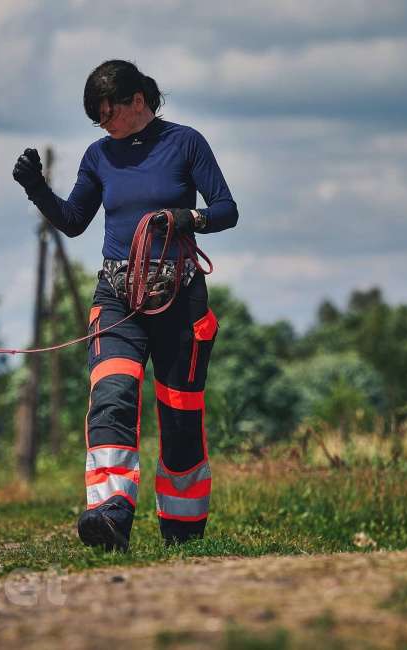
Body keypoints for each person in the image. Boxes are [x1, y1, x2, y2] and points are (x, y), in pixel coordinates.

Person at [12, 60, 238, 550]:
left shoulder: (186, 143)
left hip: (181, 302)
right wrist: (36, 189)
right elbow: (73, 221)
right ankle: (110, 515)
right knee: (112, 397)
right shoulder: (98, 156)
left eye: (108, 113)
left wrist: (188, 217)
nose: (103, 124)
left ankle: (183, 532)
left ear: (139, 102)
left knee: (180, 418)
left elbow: (226, 209)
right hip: (118, 299)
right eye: (96, 118)